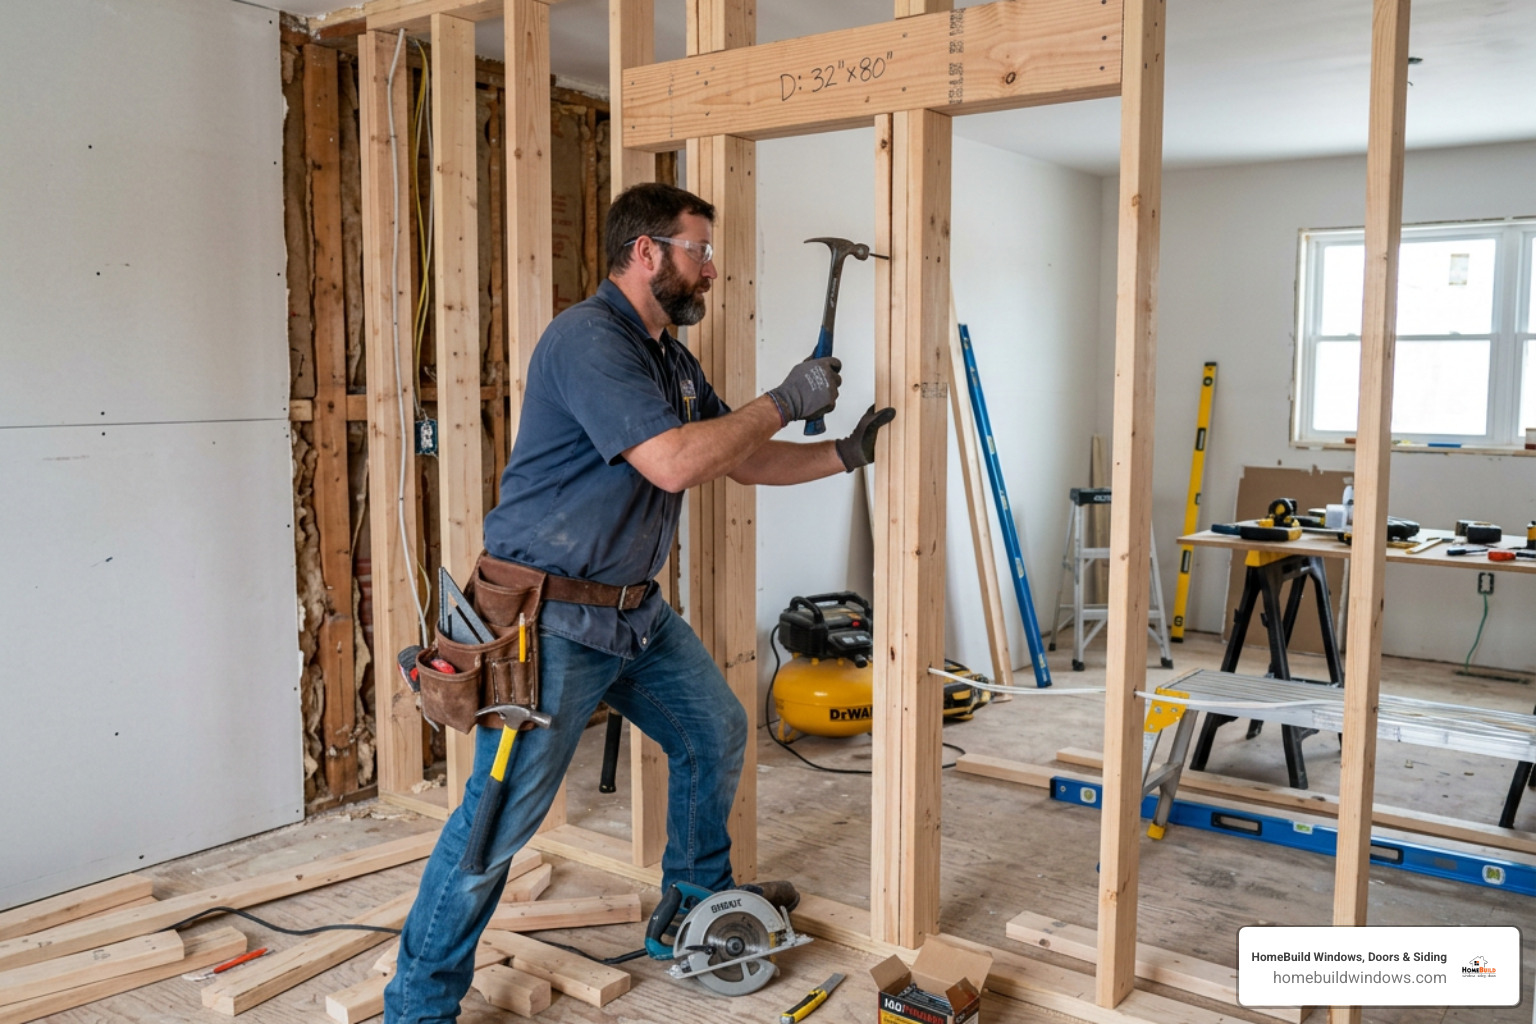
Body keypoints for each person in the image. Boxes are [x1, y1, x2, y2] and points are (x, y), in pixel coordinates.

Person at [384, 182, 895, 1022]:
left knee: (714, 730)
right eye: (699, 251)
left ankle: (691, 910)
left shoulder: (666, 355)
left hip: (629, 613)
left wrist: (842, 451)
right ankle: (419, 1006)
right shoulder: (588, 339)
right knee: (494, 825)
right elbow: (674, 462)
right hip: (543, 625)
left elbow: (734, 454)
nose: (711, 270)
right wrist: (786, 399)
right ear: (647, 251)